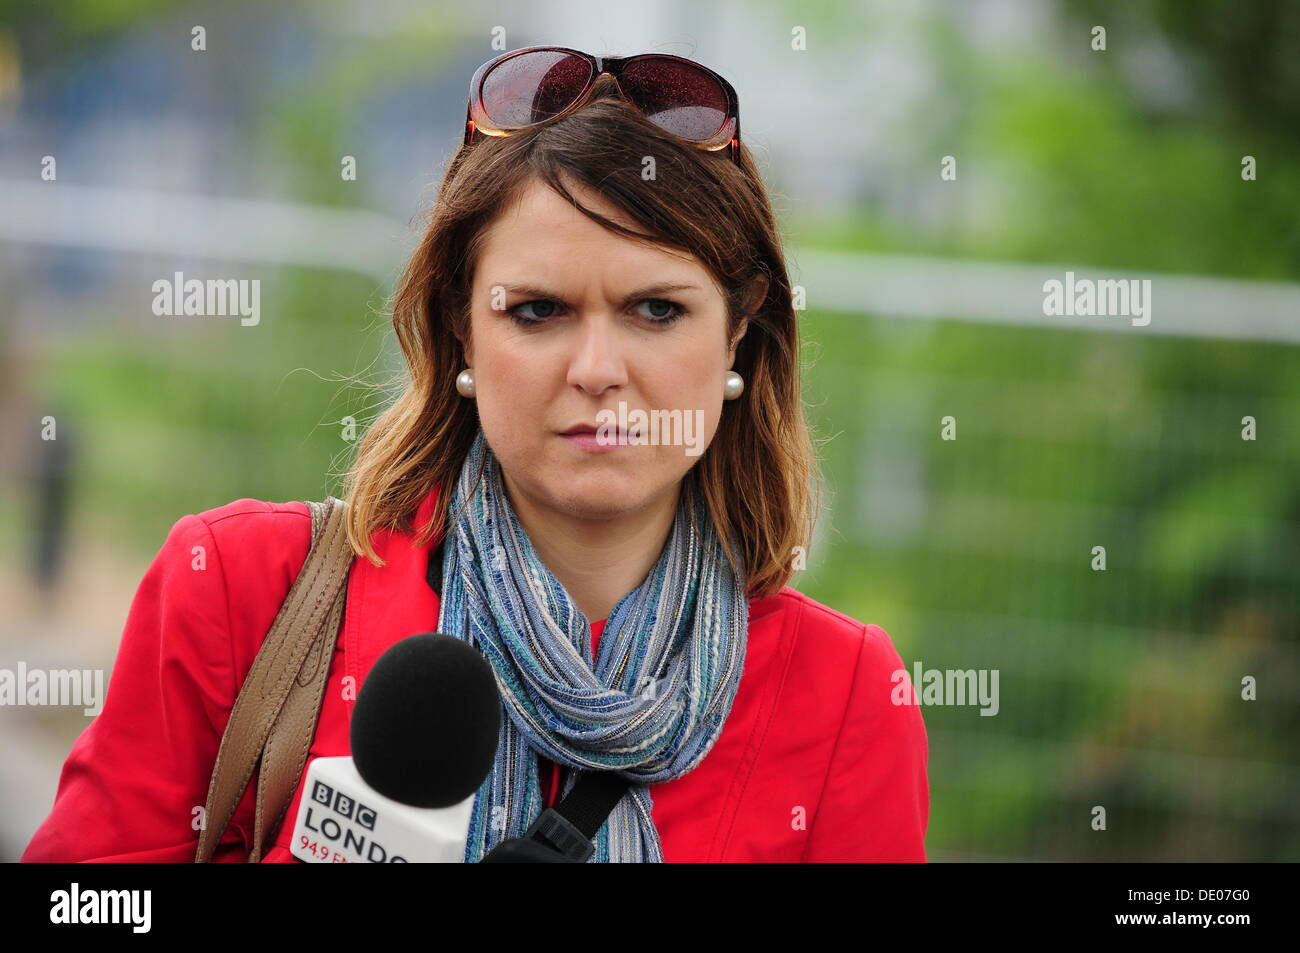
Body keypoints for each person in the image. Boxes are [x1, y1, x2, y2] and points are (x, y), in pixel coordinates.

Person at [22, 47, 928, 863]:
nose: (598, 371)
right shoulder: (239, 587)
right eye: (537, 310)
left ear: (739, 330)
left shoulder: (843, 691)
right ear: (460, 328)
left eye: (657, 310)